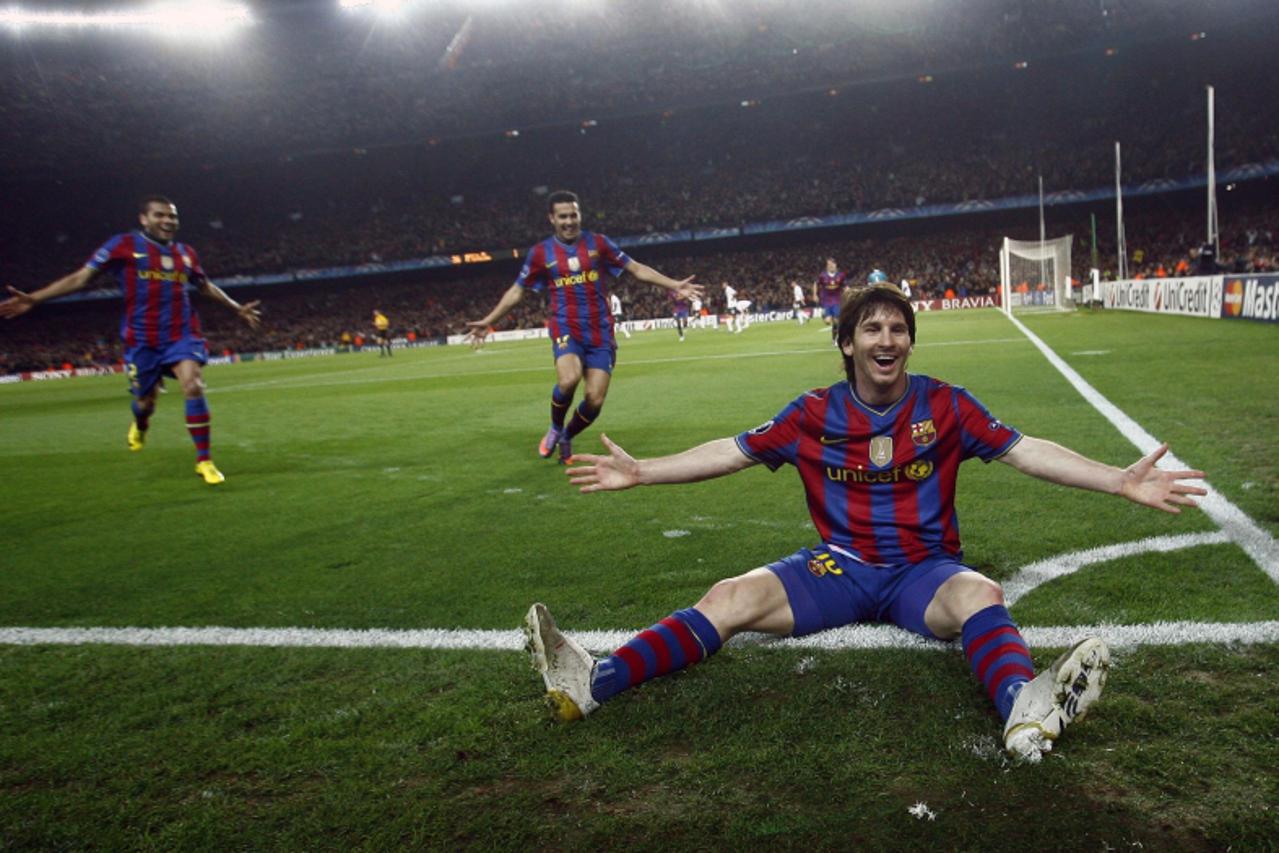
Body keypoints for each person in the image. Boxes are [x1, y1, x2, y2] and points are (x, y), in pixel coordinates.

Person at [525, 284, 1207, 762]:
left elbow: (1028, 451)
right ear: (846, 342)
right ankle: (594, 682)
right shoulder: (811, 413)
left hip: (924, 572)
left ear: (908, 340)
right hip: (839, 566)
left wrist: (1118, 479)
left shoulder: (945, 403)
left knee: (981, 594)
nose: (888, 339)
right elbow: (728, 452)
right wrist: (644, 470)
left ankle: (1024, 709)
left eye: (898, 328)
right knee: (728, 597)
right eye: (872, 328)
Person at [0, 195, 261, 484]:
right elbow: (81, 278)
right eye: (160, 215)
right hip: (141, 340)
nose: (168, 221)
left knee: (193, 385)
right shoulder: (122, 245)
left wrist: (236, 308)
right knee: (145, 402)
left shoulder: (186, 253)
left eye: (172, 216)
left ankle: (204, 461)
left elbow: (203, 285)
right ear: (144, 219)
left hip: (181, 333)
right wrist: (35, 299)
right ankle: (141, 423)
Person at [465, 191, 701, 464]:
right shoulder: (541, 253)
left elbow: (635, 268)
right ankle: (554, 427)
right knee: (568, 379)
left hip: (600, 331)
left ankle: (567, 435)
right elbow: (517, 291)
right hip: (566, 326)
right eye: (563, 216)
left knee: (595, 399)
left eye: (573, 215)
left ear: (580, 215)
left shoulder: (598, 243)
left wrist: (674, 284)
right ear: (552, 218)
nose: (569, 221)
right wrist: (489, 320)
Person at [813, 257, 848, 341]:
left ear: (836, 265)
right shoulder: (822, 275)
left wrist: (848, 292)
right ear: (827, 266)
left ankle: (834, 339)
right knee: (827, 322)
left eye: (832, 264)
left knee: (836, 321)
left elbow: (846, 286)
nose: (831, 266)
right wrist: (815, 294)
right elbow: (815, 283)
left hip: (836, 300)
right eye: (829, 264)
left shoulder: (841, 275)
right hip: (826, 301)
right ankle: (824, 315)